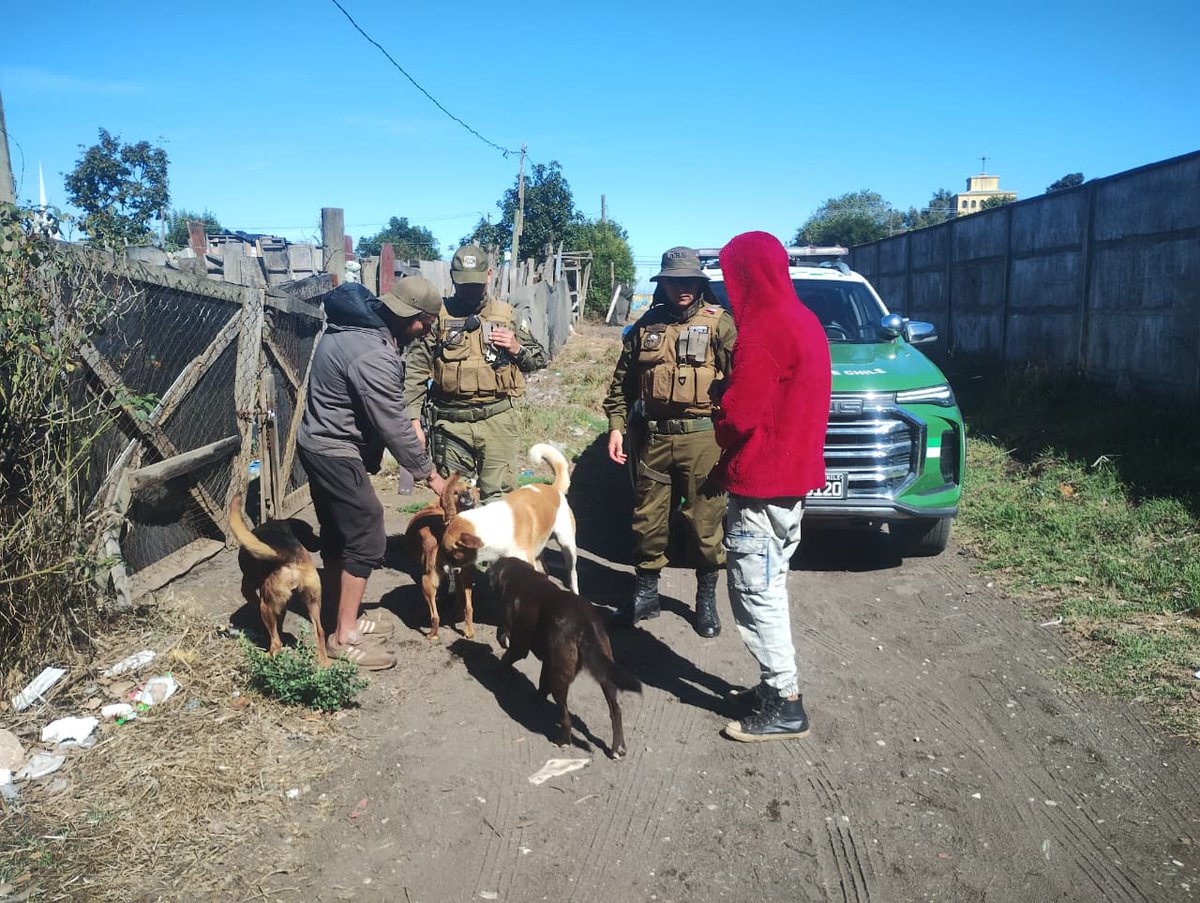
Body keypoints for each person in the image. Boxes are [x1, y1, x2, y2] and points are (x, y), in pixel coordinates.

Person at [710, 231, 831, 741]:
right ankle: (773, 685)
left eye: (731, 274)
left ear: (744, 275)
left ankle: (784, 699)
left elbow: (740, 414)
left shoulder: (763, 329)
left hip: (762, 485)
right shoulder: (804, 320)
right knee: (772, 582)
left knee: (754, 590)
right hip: (791, 482)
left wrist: (720, 402)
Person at [297, 277, 447, 670]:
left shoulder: (354, 328)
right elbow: (394, 424)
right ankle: (343, 636)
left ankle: (340, 614)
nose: (428, 331)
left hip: (319, 442)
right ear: (410, 316)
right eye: (427, 323)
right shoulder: (371, 352)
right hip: (335, 450)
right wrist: (431, 476)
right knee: (367, 531)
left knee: (337, 532)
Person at [602, 246, 737, 636]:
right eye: (674, 280)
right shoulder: (647, 327)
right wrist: (616, 425)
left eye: (689, 281)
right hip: (655, 438)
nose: (682, 288)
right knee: (647, 520)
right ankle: (646, 595)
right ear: (664, 283)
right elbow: (621, 387)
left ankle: (706, 600)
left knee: (705, 523)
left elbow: (740, 382)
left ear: (699, 283)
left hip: (703, 441)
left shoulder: (720, 324)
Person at [403, 245, 547, 501]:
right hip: (450, 423)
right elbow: (415, 371)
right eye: (464, 284)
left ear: (489, 275)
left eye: (476, 284)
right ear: (452, 277)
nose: (469, 290)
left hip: (497, 422)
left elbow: (538, 360)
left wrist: (516, 348)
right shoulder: (437, 317)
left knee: (500, 501)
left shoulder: (508, 315)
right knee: (455, 501)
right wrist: (413, 420)